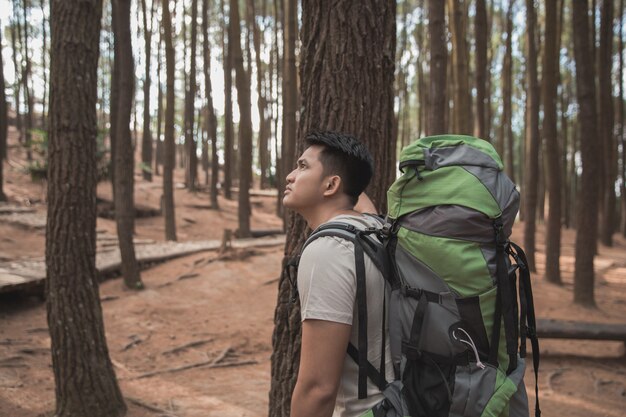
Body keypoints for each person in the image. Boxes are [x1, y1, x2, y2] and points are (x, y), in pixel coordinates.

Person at [283, 131, 393, 417]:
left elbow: (318, 388)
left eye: (303, 166)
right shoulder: (375, 227)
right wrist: (351, 173)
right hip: (401, 403)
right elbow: (360, 201)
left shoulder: (327, 252)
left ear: (331, 184)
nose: (290, 176)